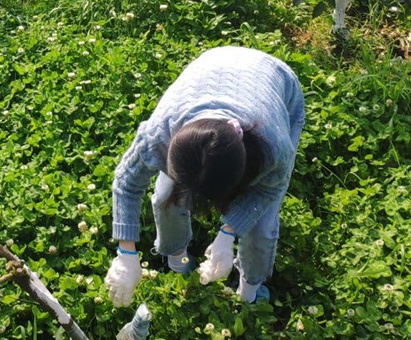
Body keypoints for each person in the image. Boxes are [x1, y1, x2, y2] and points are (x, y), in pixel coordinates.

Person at [105, 46, 305, 307]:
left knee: (262, 226)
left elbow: (268, 191)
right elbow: (126, 183)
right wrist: (125, 252)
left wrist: (228, 232)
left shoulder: (273, 148)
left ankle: (249, 291)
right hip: (214, 64)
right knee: (167, 195)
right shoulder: (158, 134)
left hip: (276, 83)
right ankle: (178, 260)